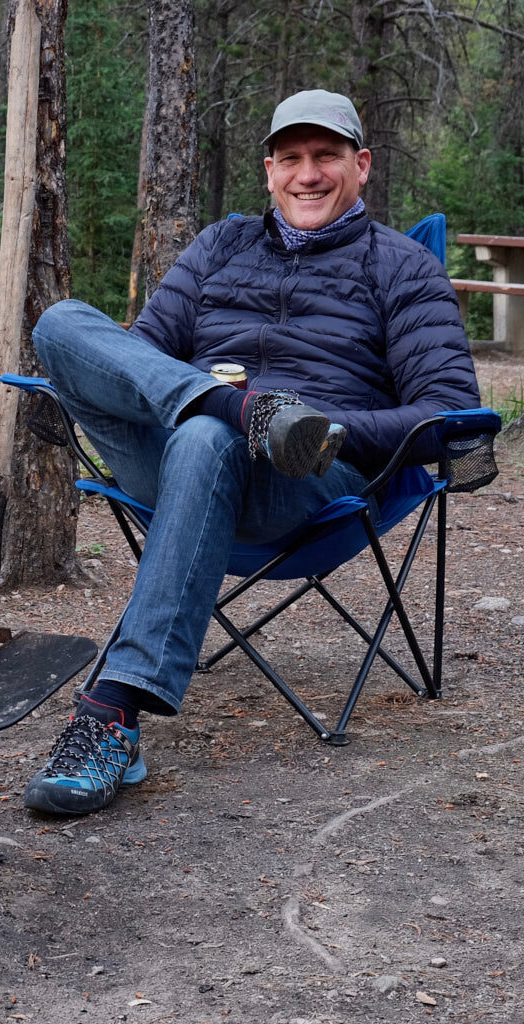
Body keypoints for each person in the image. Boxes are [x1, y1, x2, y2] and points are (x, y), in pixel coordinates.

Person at [23, 89, 480, 816]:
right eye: (291, 158)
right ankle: (239, 409)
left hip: (307, 483)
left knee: (208, 436)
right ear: (269, 171)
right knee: (61, 323)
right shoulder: (218, 247)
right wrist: (224, 401)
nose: (308, 174)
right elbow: (135, 361)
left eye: (326, 156)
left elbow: (449, 412)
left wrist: (327, 429)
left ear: (360, 166)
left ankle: (110, 716)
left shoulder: (401, 267)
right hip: (176, 456)